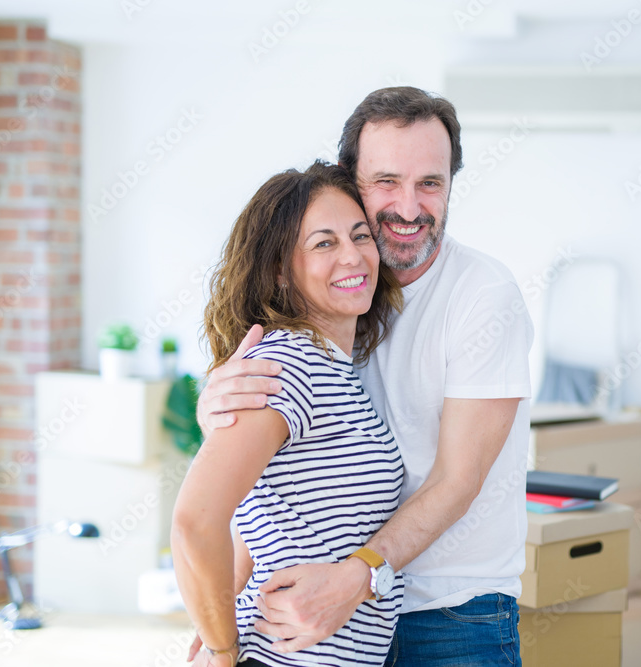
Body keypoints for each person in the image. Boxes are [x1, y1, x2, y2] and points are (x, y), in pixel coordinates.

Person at [196, 87, 534, 666]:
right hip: (325, 621)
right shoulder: (335, 305)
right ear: (350, 180)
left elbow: (456, 480)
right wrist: (220, 414)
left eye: (430, 183)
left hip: (450, 612)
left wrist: (359, 576)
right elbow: (258, 489)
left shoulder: (484, 297)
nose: (408, 207)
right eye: (386, 182)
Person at [171, 161, 406, 667]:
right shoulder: (290, 365)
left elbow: (264, 519)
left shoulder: (335, 369)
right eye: (324, 243)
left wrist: (228, 607)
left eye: (360, 235)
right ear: (280, 269)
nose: (354, 256)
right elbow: (194, 521)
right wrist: (221, 648)